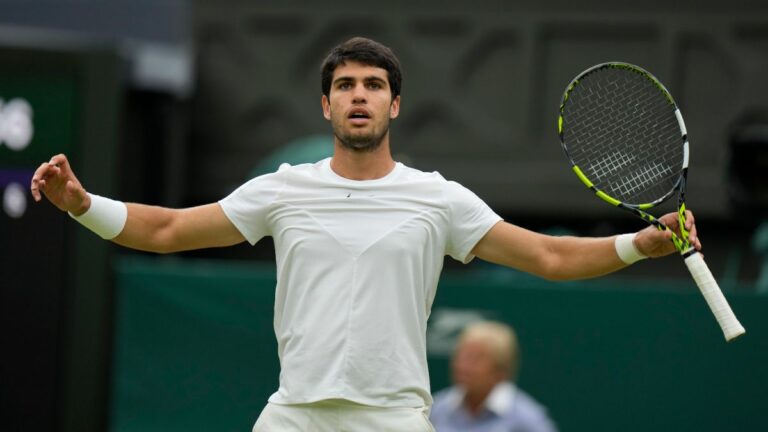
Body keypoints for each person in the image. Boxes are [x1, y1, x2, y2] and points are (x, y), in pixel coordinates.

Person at [30, 37, 700, 431]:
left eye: (373, 85)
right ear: (326, 105)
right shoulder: (285, 188)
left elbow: (549, 256)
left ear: (394, 104)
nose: (359, 95)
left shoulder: (438, 199)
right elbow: (172, 229)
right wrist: (83, 203)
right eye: (345, 85)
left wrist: (637, 245)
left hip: (393, 420)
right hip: (295, 415)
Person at [430, 321, 558, 432]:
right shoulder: (437, 408)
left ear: (500, 371)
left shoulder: (528, 418)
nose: (463, 366)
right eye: (462, 355)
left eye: (475, 359)